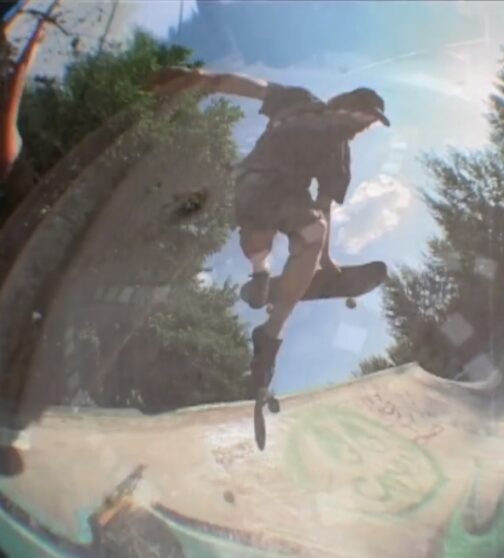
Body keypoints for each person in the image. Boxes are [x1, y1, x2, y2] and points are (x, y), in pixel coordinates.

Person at [150, 67, 390, 401]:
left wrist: (323, 258)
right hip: (254, 183)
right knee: (258, 238)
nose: (361, 125)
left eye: (367, 124)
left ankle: (270, 334)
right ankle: (261, 274)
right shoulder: (299, 100)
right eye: (361, 115)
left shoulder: (339, 153)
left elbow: (323, 206)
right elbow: (254, 87)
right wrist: (203, 79)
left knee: (313, 230)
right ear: (346, 103)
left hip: (289, 197)